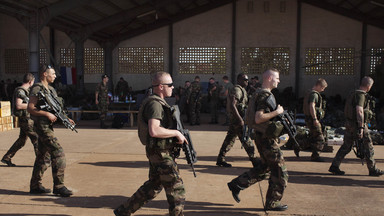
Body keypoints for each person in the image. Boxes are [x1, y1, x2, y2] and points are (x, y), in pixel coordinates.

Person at [114, 71, 187, 216]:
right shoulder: (155, 104)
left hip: (158, 151)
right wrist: (176, 133)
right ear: (161, 86)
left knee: (153, 185)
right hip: (160, 153)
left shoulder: (155, 101)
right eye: (170, 85)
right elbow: (154, 130)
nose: (173, 87)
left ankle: (123, 211)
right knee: (176, 188)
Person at [227, 69, 289, 211]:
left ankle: (237, 184)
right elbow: (258, 117)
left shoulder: (260, 93)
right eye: (277, 78)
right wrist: (277, 112)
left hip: (262, 136)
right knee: (280, 172)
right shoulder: (264, 95)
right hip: (266, 138)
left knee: (265, 168)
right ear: (268, 78)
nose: (279, 81)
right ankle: (272, 203)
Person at [28, 64, 74, 197]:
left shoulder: (51, 90)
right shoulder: (37, 88)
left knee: (43, 156)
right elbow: (30, 108)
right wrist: (46, 114)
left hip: (48, 126)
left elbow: (56, 110)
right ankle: (59, 186)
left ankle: (35, 185)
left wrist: (65, 119)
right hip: (41, 126)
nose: (54, 76)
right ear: (44, 74)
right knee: (58, 153)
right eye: (52, 74)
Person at [329, 76, 384, 176]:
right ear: (369, 86)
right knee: (368, 146)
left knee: (346, 146)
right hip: (356, 125)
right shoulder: (361, 95)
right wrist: (361, 127)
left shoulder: (353, 94)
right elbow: (359, 111)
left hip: (349, 124)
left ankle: (334, 166)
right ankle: (372, 169)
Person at [216, 73, 256, 167]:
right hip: (237, 120)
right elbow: (233, 105)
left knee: (229, 139)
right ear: (239, 80)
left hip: (237, 119)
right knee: (247, 140)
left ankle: (220, 158)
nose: (247, 81)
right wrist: (240, 120)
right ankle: (255, 160)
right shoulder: (237, 89)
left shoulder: (242, 90)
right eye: (245, 80)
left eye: (247, 80)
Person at [1, 73, 38, 166]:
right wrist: (32, 106)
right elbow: (19, 105)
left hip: (26, 118)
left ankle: (7, 157)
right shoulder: (20, 91)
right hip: (25, 119)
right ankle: (41, 160)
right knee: (36, 138)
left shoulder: (25, 90)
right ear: (30, 81)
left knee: (21, 141)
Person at [302, 78, 328, 162]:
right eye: (322, 88)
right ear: (319, 86)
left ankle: (299, 145)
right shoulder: (314, 94)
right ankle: (315, 156)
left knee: (313, 137)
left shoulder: (309, 92)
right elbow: (311, 106)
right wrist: (315, 119)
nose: (323, 90)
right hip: (312, 119)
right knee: (320, 138)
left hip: (309, 118)